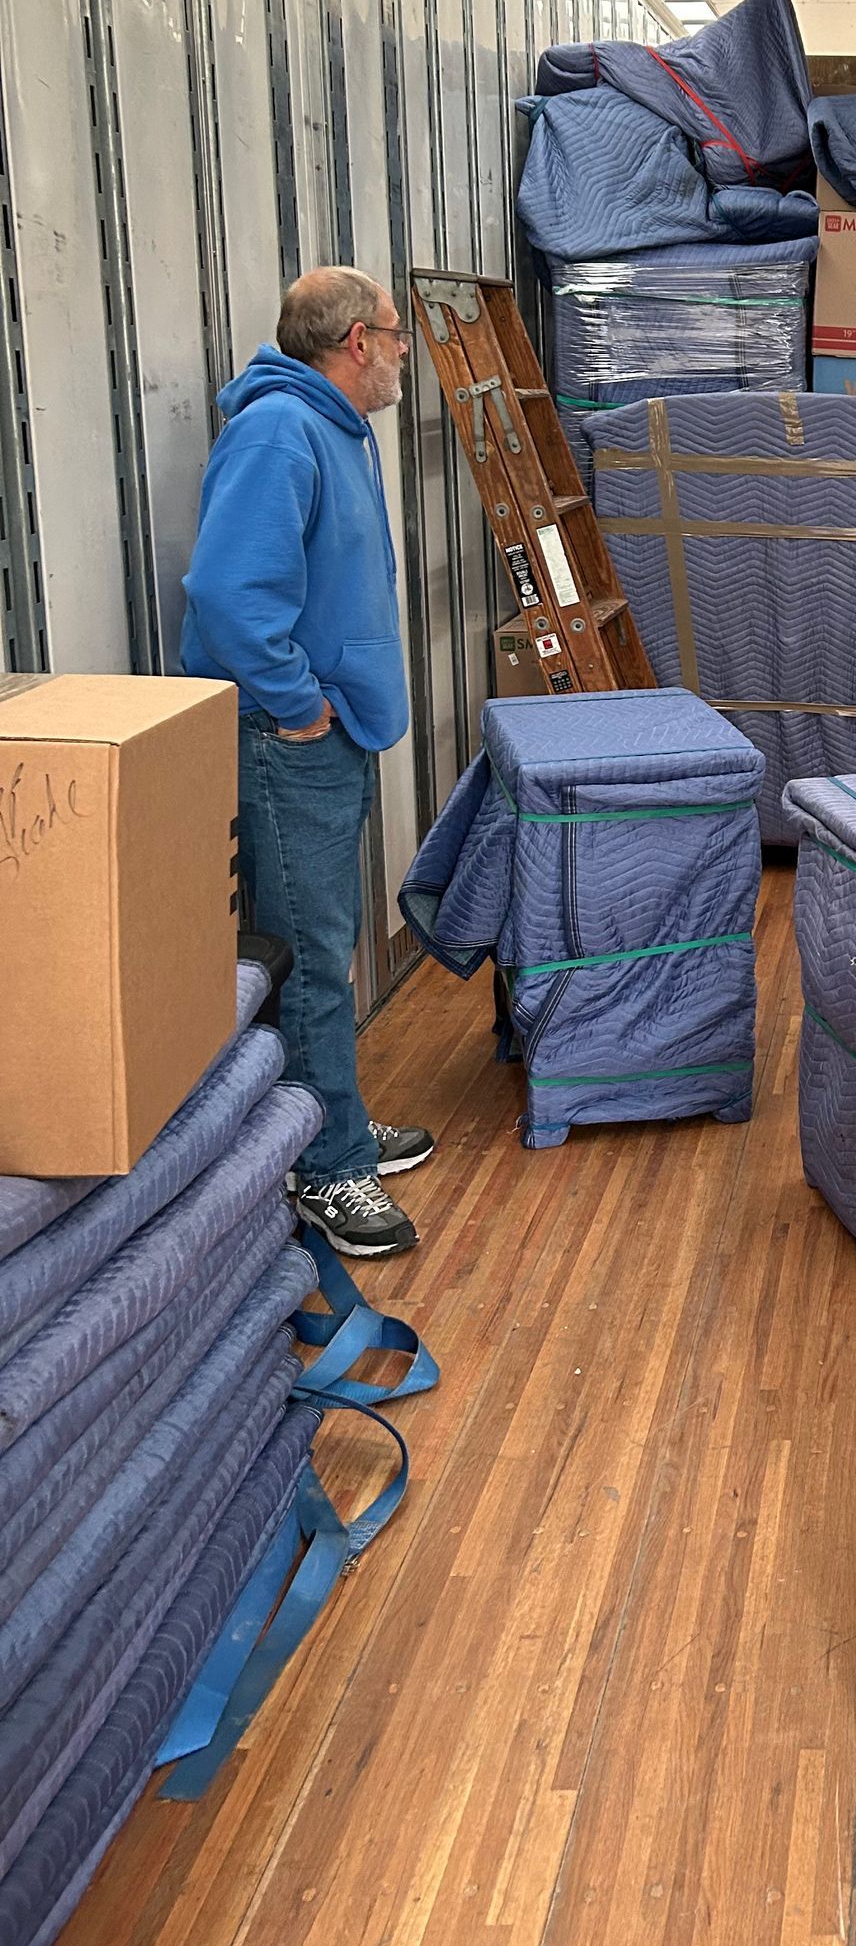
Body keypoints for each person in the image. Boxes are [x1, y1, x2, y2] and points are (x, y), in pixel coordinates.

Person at [182, 266, 435, 1259]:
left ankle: (330, 1115)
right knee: (313, 962)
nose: (406, 347)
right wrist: (297, 707)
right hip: (294, 744)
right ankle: (328, 1168)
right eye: (394, 330)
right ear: (354, 343)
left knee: (327, 948)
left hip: (336, 734)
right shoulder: (280, 431)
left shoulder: (331, 425)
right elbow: (229, 594)